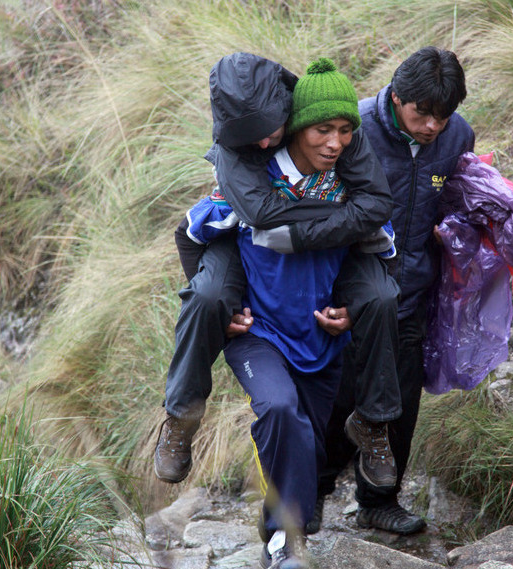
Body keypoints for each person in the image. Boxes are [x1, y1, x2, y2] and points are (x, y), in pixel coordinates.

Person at [155, 53, 401, 509]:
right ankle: (181, 418)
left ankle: (370, 425)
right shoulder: (237, 144)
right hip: (249, 238)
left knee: (383, 297)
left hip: (336, 246)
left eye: (270, 130)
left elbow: (377, 207)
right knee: (208, 296)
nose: (265, 143)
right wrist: (225, 307)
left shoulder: (330, 123)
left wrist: (308, 230)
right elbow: (258, 216)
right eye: (251, 138)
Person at [317, 46, 476, 535]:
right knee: (339, 400)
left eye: (442, 117)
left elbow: (457, 196)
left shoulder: (458, 136)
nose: (432, 126)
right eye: (421, 113)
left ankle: (379, 502)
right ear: (396, 97)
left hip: (413, 293)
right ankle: (309, 497)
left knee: (401, 400)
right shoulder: (353, 129)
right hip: (350, 295)